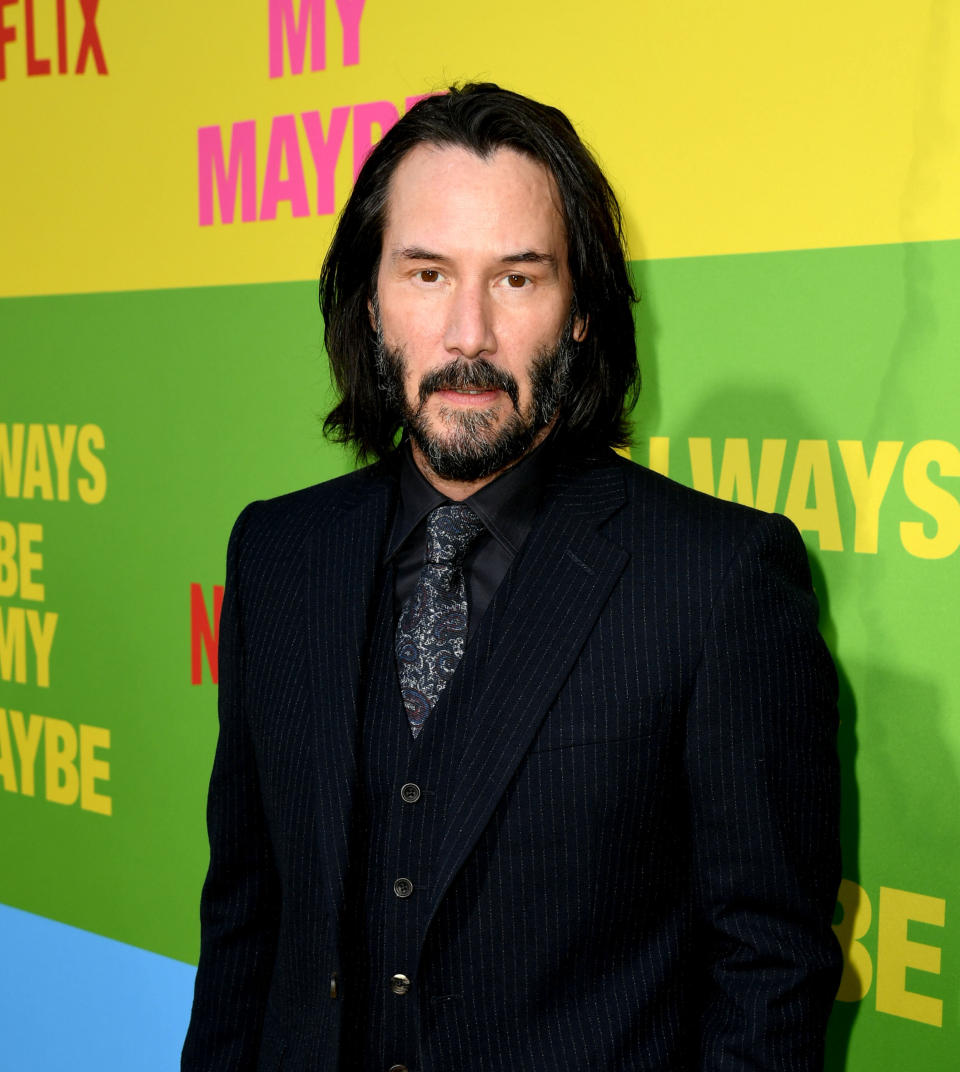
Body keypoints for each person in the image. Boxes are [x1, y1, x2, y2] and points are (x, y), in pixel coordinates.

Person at [182, 83, 842, 1071]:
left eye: (520, 279)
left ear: (580, 312)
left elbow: (770, 969)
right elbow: (246, 922)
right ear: (370, 301)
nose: (469, 336)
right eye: (427, 273)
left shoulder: (719, 582)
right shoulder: (278, 554)